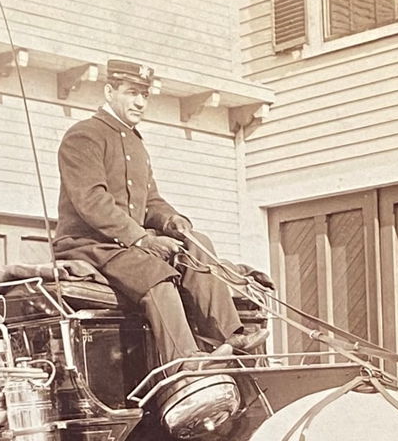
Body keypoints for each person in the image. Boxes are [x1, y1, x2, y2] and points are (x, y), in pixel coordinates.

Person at [51, 58, 262, 365]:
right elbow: (91, 201)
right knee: (155, 274)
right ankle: (186, 360)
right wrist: (141, 239)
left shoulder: (136, 144)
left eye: (145, 95)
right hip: (89, 245)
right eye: (131, 92)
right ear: (109, 92)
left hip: (126, 245)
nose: (140, 101)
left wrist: (174, 221)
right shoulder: (84, 135)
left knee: (195, 243)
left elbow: (150, 201)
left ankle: (229, 338)